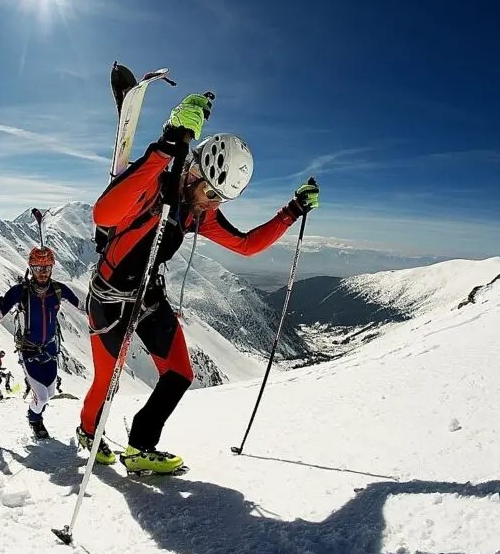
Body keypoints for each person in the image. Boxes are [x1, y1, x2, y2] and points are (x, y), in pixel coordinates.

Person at [79, 96, 320, 473]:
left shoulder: (196, 214)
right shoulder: (153, 187)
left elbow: (245, 245)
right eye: (210, 194)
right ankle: (88, 430)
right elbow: (104, 212)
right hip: (109, 297)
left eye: (220, 199)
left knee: (179, 374)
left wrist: (290, 213)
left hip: (147, 295)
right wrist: (165, 147)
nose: (211, 205)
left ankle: (140, 447)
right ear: (192, 172)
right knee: (107, 379)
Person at [0, 246, 82, 439]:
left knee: (50, 392)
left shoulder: (58, 289)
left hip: (51, 349)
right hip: (29, 350)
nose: (42, 272)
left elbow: (82, 307)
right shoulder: (20, 292)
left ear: (52, 267)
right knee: (43, 396)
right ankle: (34, 420)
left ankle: (36, 412)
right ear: (30, 267)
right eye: (38, 268)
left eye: (46, 267)